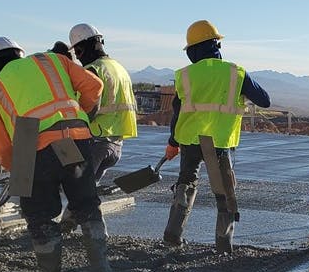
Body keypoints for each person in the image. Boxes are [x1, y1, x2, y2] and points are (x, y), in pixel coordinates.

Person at [0, 37, 111, 272]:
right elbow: (94, 85)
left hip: (29, 144)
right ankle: (102, 270)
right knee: (86, 204)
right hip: (72, 136)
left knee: (39, 214)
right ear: (19, 54)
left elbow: (5, 146)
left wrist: (16, 171)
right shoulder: (51, 60)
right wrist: (80, 113)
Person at [163, 20, 270, 252]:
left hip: (190, 140)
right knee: (224, 195)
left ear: (192, 50)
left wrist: (172, 142)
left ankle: (172, 236)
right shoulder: (235, 73)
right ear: (216, 45)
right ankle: (223, 246)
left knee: (185, 184)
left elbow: (177, 112)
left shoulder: (185, 75)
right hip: (220, 143)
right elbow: (265, 100)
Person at [68, 23, 138, 184]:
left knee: (76, 189)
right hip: (115, 145)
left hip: (96, 142)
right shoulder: (119, 68)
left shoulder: (93, 70)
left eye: (78, 51)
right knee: (88, 190)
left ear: (87, 46)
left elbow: (89, 110)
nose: (78, 57)